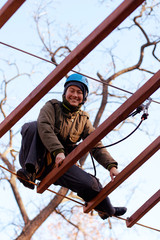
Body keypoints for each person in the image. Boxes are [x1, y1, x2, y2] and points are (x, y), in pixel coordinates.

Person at [17, 73, 127, 220]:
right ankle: (30, 173)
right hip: (36, 158)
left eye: (79, 92)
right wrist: (58, 152)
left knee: (90, 184)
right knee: (33, 126)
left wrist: (111, 166)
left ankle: (107, 209)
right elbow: (45, 127)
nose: (75, 95)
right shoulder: (52, 106)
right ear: (65, 92)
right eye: (72, 90)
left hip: (58, 165)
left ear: (84, 96)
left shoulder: (83, 119)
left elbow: (95, 143)